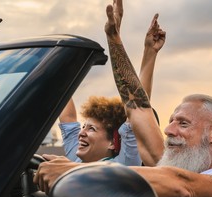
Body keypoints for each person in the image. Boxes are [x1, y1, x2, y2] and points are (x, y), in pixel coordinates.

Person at [34, 0, 212, 197]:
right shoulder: (165, 165)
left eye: (183, 123)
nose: (168, 129)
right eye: (171, 121)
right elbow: (138, 108)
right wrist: (114, 39)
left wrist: (76, 172)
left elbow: (181, 185)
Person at [56, 11, 166, 165]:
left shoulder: (123, 164)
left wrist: (150, 52)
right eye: (84, 127)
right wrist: (56, 68)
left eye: (91, 129)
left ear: (113, 142)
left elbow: (137, 106)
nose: (81, 133)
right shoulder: (75, 155)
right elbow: (67, 117)